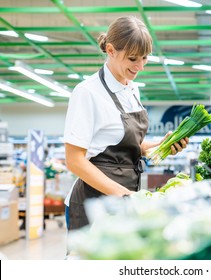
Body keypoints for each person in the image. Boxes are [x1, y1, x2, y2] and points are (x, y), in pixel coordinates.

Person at [63, 16, 189, 231]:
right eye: (132, 59)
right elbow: (74, 160)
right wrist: (123, 194)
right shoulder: (87, 92)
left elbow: (127, 147)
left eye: (145, 58)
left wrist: (163, 145)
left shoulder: (132, 89)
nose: (140, 66)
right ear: (111, 50)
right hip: (93, 204)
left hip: (123, 201)